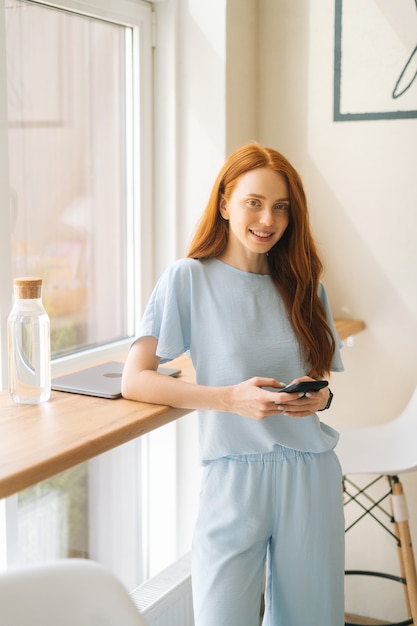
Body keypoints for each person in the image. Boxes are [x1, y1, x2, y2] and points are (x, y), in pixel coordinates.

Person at [122, 142, 345, 626]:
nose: (269, 219)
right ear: (225, 203)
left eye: (281, 207)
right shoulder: (187, 279)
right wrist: (228, 398)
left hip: (310, 472)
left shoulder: (308, 286)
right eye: (254, 202)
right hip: (232, 473)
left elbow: (321, 378)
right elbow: (135, 379)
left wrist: (319, 396)